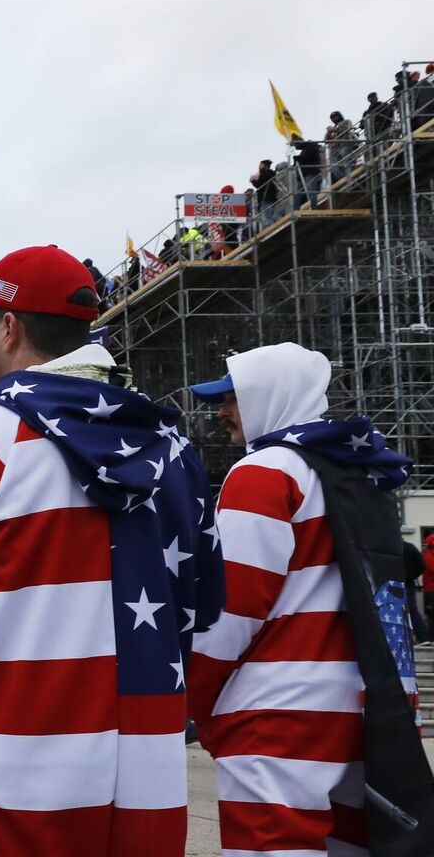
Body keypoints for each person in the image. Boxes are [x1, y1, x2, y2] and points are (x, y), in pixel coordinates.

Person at [0, 246, 224, 857]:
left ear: (9, 329)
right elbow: (203, 611)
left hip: (5, 781)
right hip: (147, 783)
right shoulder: (176, 450)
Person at [187, 343, 432, 855]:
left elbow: (231, 606)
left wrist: (196, 700)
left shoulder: (264, 471)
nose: (223, 412)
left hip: (279, 715)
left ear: (268, 395)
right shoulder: (359, 473)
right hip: (365, 709)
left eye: (232, 397)